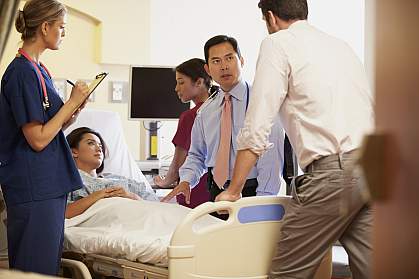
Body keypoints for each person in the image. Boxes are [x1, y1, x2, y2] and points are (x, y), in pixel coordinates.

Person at [216, 1, 374, 278]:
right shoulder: (341, 46)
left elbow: (258, 123)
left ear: (270, 17)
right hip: (374, 168)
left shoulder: (277, 44)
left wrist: (233, 189)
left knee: (287, 274)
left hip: (333, 174)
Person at [0, 0, 90, 275]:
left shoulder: (39, 70)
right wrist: (70, 104)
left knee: (46, 269)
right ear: (45, 26)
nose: (64, 33)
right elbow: (37, 139)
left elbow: (48, 128)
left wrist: (72, 112)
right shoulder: (22, 73)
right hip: (34, 186)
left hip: (46, 185)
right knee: (35, 270)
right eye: (62, 27)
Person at [162, 35, 284, 208]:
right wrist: (186, 181)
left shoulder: (261, 104)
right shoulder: (205, 112)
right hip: (215, 192)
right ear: (208, 69)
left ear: (241, 61)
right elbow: (197, 155)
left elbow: (271, 161)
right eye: (216, 61)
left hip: (252, 193)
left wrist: (262, 203)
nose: (224, 66)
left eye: (229, 58)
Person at [153, 58, 211, 208]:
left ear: (199, 82)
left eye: (181, 82)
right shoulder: (220, 108)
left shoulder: (191, 116)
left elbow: (178, 163)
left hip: (193, 192)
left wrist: (164, 181)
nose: (176, 88)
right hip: (216, 193)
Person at [65, 127, 159, 218]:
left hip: (141, 218)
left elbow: (156, 206)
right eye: (91, 143)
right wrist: (98, 196)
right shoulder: (68, 181)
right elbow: (63, 212)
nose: (99, 148)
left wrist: (131, 196)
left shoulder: (118, 179)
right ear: (74, 152)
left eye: (100, 145)